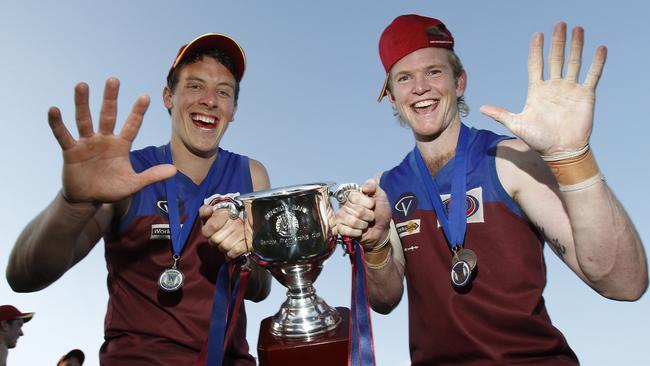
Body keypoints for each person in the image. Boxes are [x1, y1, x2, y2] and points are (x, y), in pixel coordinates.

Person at [335, 14, 648, 365]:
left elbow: (624, 283)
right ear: (392, 98)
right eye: (404, 78)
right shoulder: (386, 188)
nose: (420, 87)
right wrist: (375, 245)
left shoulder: (511, 161)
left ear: (460, 82)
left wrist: (572, 157)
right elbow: (385, 300)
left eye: (434, 72)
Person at [6, 33, 271, 365]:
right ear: (168, 97)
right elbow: (23, 275)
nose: (209, 100)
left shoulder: (252, 175)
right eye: (194, 86)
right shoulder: (125, 174)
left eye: (223, 92)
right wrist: (73, 203)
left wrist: (246, 252)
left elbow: (261, 289)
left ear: (233, 110)